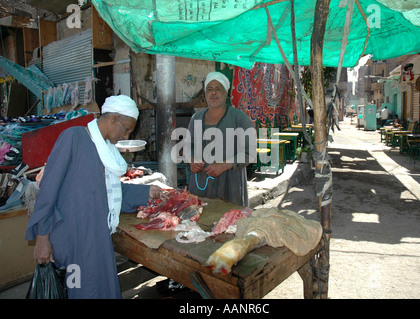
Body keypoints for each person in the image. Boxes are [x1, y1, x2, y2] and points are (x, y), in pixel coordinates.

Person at [25, 95, 165, 299]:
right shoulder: (73, 138)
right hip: (73, 240)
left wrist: (147, 192)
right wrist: (42, 238)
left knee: (99, 290)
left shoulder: (105, 150)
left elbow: (108, 193)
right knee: (79, 289)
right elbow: (48, 190)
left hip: (97, 238)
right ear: (114, 118)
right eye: (126, 129)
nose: (126, 135)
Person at [187, 71, 256, 207]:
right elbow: (188, 146)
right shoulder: (196, 118)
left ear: (226, 93)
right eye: (210, 89)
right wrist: (192, 160)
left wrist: (224, 165)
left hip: (230, 184)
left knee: (229, 222)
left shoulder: (239, 118)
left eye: (218, 89)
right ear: (205, 94)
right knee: (197, 221)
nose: (213, 93)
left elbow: (250, 153)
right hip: (200, 183)